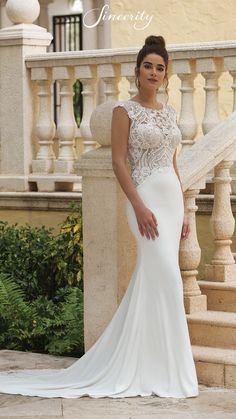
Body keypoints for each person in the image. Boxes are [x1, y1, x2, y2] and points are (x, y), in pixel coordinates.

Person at [0, 35, 199, 399]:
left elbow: (173, 162)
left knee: (155, 281)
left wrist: (186, 209)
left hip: (171, 200)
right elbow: (118, 162)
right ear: (137, 71)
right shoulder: (125, 111)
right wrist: (138, 205)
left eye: (160, 68)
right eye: (147, 66)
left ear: (165, 75)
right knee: (168, 280)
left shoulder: (169, 112)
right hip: (145, 199)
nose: (153, 73)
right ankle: (162, 369)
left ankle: (158, 366)